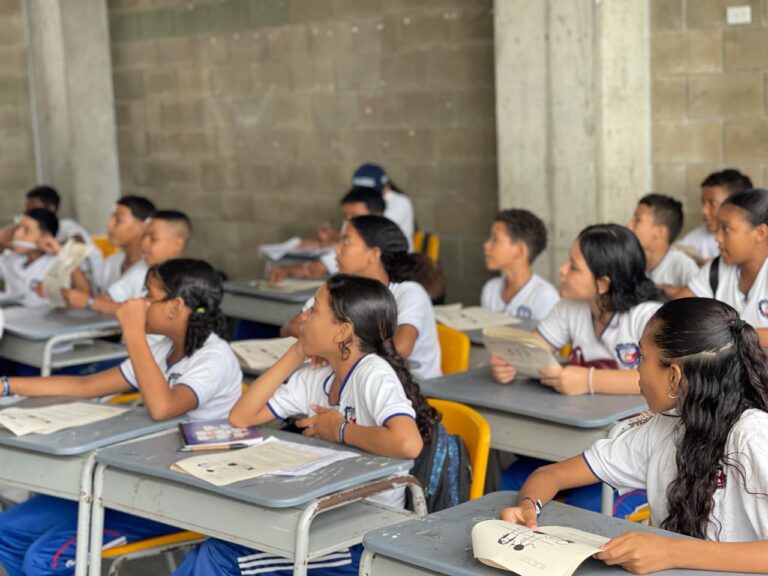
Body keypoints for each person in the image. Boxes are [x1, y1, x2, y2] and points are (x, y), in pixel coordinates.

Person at [172, 274, 438, 576]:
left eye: (315, 310)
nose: (305, 316)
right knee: (215, 546)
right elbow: (241, 417)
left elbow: (408, 443)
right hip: (319, 517)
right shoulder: (315, 377)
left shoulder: (373, 374)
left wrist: (338, 430)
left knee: (220, 556)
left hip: (361, 538)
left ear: (342, 331)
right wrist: (298, 350)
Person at [0, 258, 243, 576]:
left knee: (47, 559)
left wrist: (132, 331)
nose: (138, 304)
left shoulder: (214, 358)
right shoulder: (162, 348)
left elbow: (162, 407)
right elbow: (85, 385)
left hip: (177, 496)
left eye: (148, 297)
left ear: (175, 307)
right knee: (8, 531)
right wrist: (6, 385)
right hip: (130, 477)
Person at [500, 298, 768, 575]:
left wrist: (670, 551)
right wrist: (528, 506)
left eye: (643, 358)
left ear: (674, 376)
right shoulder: (665, 428)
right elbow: (551, 475)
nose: (637, 370)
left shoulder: (753, 435)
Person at [281, 215, 442, 380]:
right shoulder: (337, 289)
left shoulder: (409, 292)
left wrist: (329, 344)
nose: (337, 250)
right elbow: (290, 326)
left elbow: (401, 347)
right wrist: (330, 343)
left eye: (346, 242)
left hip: (413, 389)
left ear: (374, 254)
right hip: (359, 379)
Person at [680, 189, 768, 347]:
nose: (718, 238)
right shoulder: (717, 268)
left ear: (760, 233)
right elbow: (680, 307)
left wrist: (723, 335)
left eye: (726, 229)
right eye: (718, 229)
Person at [481, 209, 559, 320]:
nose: (486, 245)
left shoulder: (545, 297)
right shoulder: (490, 289)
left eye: (495, 239)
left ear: (520, 250)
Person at [627, 194, 698, 296]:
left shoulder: (683, 266)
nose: (629, 225)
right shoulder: (628, 262)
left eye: (637, 220)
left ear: (660, 232)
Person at [677, 169, 753, 263]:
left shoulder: (757, 240)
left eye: (712, 203)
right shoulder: (697, 236)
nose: (704, 211)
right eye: (703, 203)